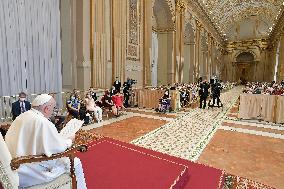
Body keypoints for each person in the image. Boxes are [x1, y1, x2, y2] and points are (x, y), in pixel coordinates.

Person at [5, 94, 87, 189]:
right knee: (76, 162)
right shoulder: (43, 122)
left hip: (15, 166)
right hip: (31, 172)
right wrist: (69, 140)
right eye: (53, 108)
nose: (53, 111)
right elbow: (58, 149)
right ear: (47, 108)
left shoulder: (22, 116)